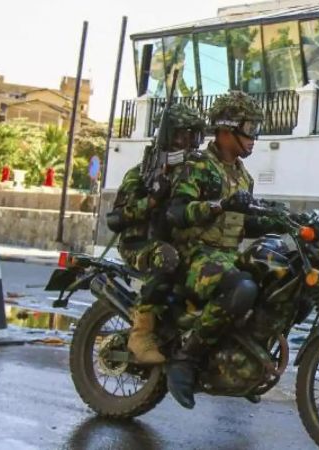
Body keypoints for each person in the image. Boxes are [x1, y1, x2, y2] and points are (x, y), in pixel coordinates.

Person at [165, 91, 286, 409]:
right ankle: (185, 357)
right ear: (226, 129)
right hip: (195, 255)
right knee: (242, 288)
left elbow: (245, 224)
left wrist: (285, 221)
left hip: (227, 255)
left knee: (273, 283)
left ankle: (240, 366)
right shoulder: (198, 166)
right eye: (249, 128)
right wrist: (220, 205)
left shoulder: (242, 176)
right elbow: (176, 213)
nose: (254, 137)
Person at [109, 103, 206, 364]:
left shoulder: (191, 174)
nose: (189, 143)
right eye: (183, 136)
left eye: (194, 137)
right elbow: (115, 219)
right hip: (139, 243)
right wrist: (151, 200)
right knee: (167, 258)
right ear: (169, 136)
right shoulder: (141, 174)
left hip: (173, 241)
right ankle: (141, 334)